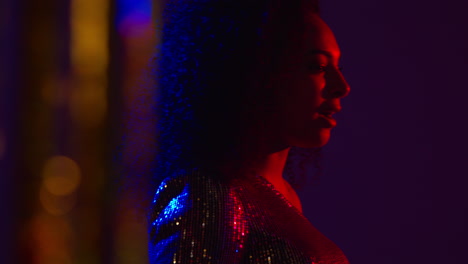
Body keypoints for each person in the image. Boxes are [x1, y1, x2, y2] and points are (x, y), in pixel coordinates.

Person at [148, 0, 350, 263]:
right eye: (317, 66)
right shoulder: (208, 194)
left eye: (338, 67)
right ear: (255, 72)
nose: (341, 86)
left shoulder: (280, 195)